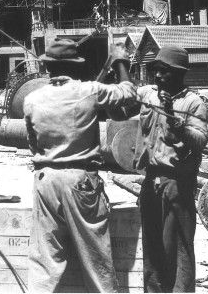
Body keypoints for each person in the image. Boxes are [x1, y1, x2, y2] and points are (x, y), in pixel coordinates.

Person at [22, 37, 136, 292]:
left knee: (44, 261)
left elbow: (33, 144)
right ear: (76, 66)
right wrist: (120, 60)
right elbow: (129, 93)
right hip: (80, 181)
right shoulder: (90, 91)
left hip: (45, 180)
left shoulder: (32, 99)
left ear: (48, 68)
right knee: (96, 259)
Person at [124, 46, 208, 292]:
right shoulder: (148, 95)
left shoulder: (193, 103)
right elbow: (122, 103)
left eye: (165, 71)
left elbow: (200, 140)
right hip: (150, 181)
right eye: (156, 71)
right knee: (152, 248)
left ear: (180, 73)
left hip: (176, 184)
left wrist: (174, 120)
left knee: (178, 248)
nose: (158, 76)